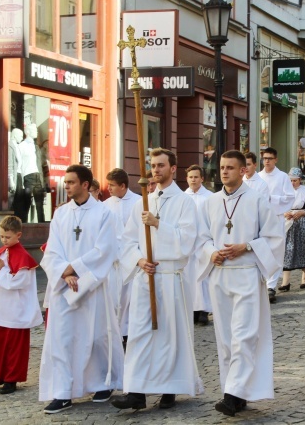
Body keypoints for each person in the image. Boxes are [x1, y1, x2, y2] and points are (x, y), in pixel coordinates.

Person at [112, 148, 201, 411]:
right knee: (139, 334)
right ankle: (136, 392)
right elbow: (126, 241)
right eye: (153, 165)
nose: (156, 170)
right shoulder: (143, 201)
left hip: (170, 277)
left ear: (173, 169)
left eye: (161, 165)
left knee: (168, 335)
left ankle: (169, 388)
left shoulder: (185, 202)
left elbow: (188, 240)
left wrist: (158, 224)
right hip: (145, 276)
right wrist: (139, 260)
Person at [197, 150, 284, 417]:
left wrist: (246, 246)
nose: (224, 172)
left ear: (243, 170)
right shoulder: (210, 203)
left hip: (246, 273)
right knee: (226, 339)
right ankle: (237, 391)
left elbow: (274, 237)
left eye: (230, 168)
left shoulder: (257, 199)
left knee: (244, 336)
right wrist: (211, 252)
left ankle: (232, 395)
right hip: (220, 274)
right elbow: (200, 238)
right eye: (222, 167)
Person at [39, 164, 123, 414]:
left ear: (85, 185)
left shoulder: (103, 213)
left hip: (92, 285)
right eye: (65, 183)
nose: (66, 187)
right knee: (63, 339)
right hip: (63, 287)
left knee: (96, 337)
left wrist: (74, 270)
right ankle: (63, 392)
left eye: (71, 183)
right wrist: (64, 273)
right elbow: (52, 249)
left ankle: (102, 383)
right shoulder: (61, 214)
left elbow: (105, 250)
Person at [0, 215, 42, 395]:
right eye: (1, 236)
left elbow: (19, 282)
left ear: (18, 235)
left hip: (16, 309)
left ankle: (11, 379)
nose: (4, 240)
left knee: (13, 346)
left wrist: (1, 272)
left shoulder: (23, 256)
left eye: (7, 237)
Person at [103, 168, 141, 347]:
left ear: (123, 186)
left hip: (132, 259)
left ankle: (128, 333)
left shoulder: (138, 202)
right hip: (113, 259)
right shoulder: (105, 205)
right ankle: (113, 332)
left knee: (129, 298)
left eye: (112, 185)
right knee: (112, 296)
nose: (108, 188)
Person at [258, 147, 295, 303]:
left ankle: (271, 286)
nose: (267, 161)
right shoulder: (258, 177)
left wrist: (271, 199)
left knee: (276, 251)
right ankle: (262, 283)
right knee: (261, 250)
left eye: (270, 158)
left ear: (275, 160)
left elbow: (290, 197)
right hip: (260, 219)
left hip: (277, 216)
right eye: (265, 158)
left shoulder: (282, 177)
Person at [184, 164, 213, 325]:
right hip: (188, 241)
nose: (193, 180)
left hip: (203, 239)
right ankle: (192, 309)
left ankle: (204, 309)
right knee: (189, 275)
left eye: (196, 177)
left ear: (202, 178)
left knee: (203, 275)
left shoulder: (209, 197)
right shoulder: (182, 197)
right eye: (190, 177)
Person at [17, 123, 46, 222]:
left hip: (38, 176)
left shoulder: (36, 146)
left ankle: (41, 225)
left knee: (40, 204)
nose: (36, 132)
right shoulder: (22, 146)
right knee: (26, 203)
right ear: (28, 132)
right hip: (28, 176)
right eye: (34, 130)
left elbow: (39, 164)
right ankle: (23, 224)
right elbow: (19, 164)